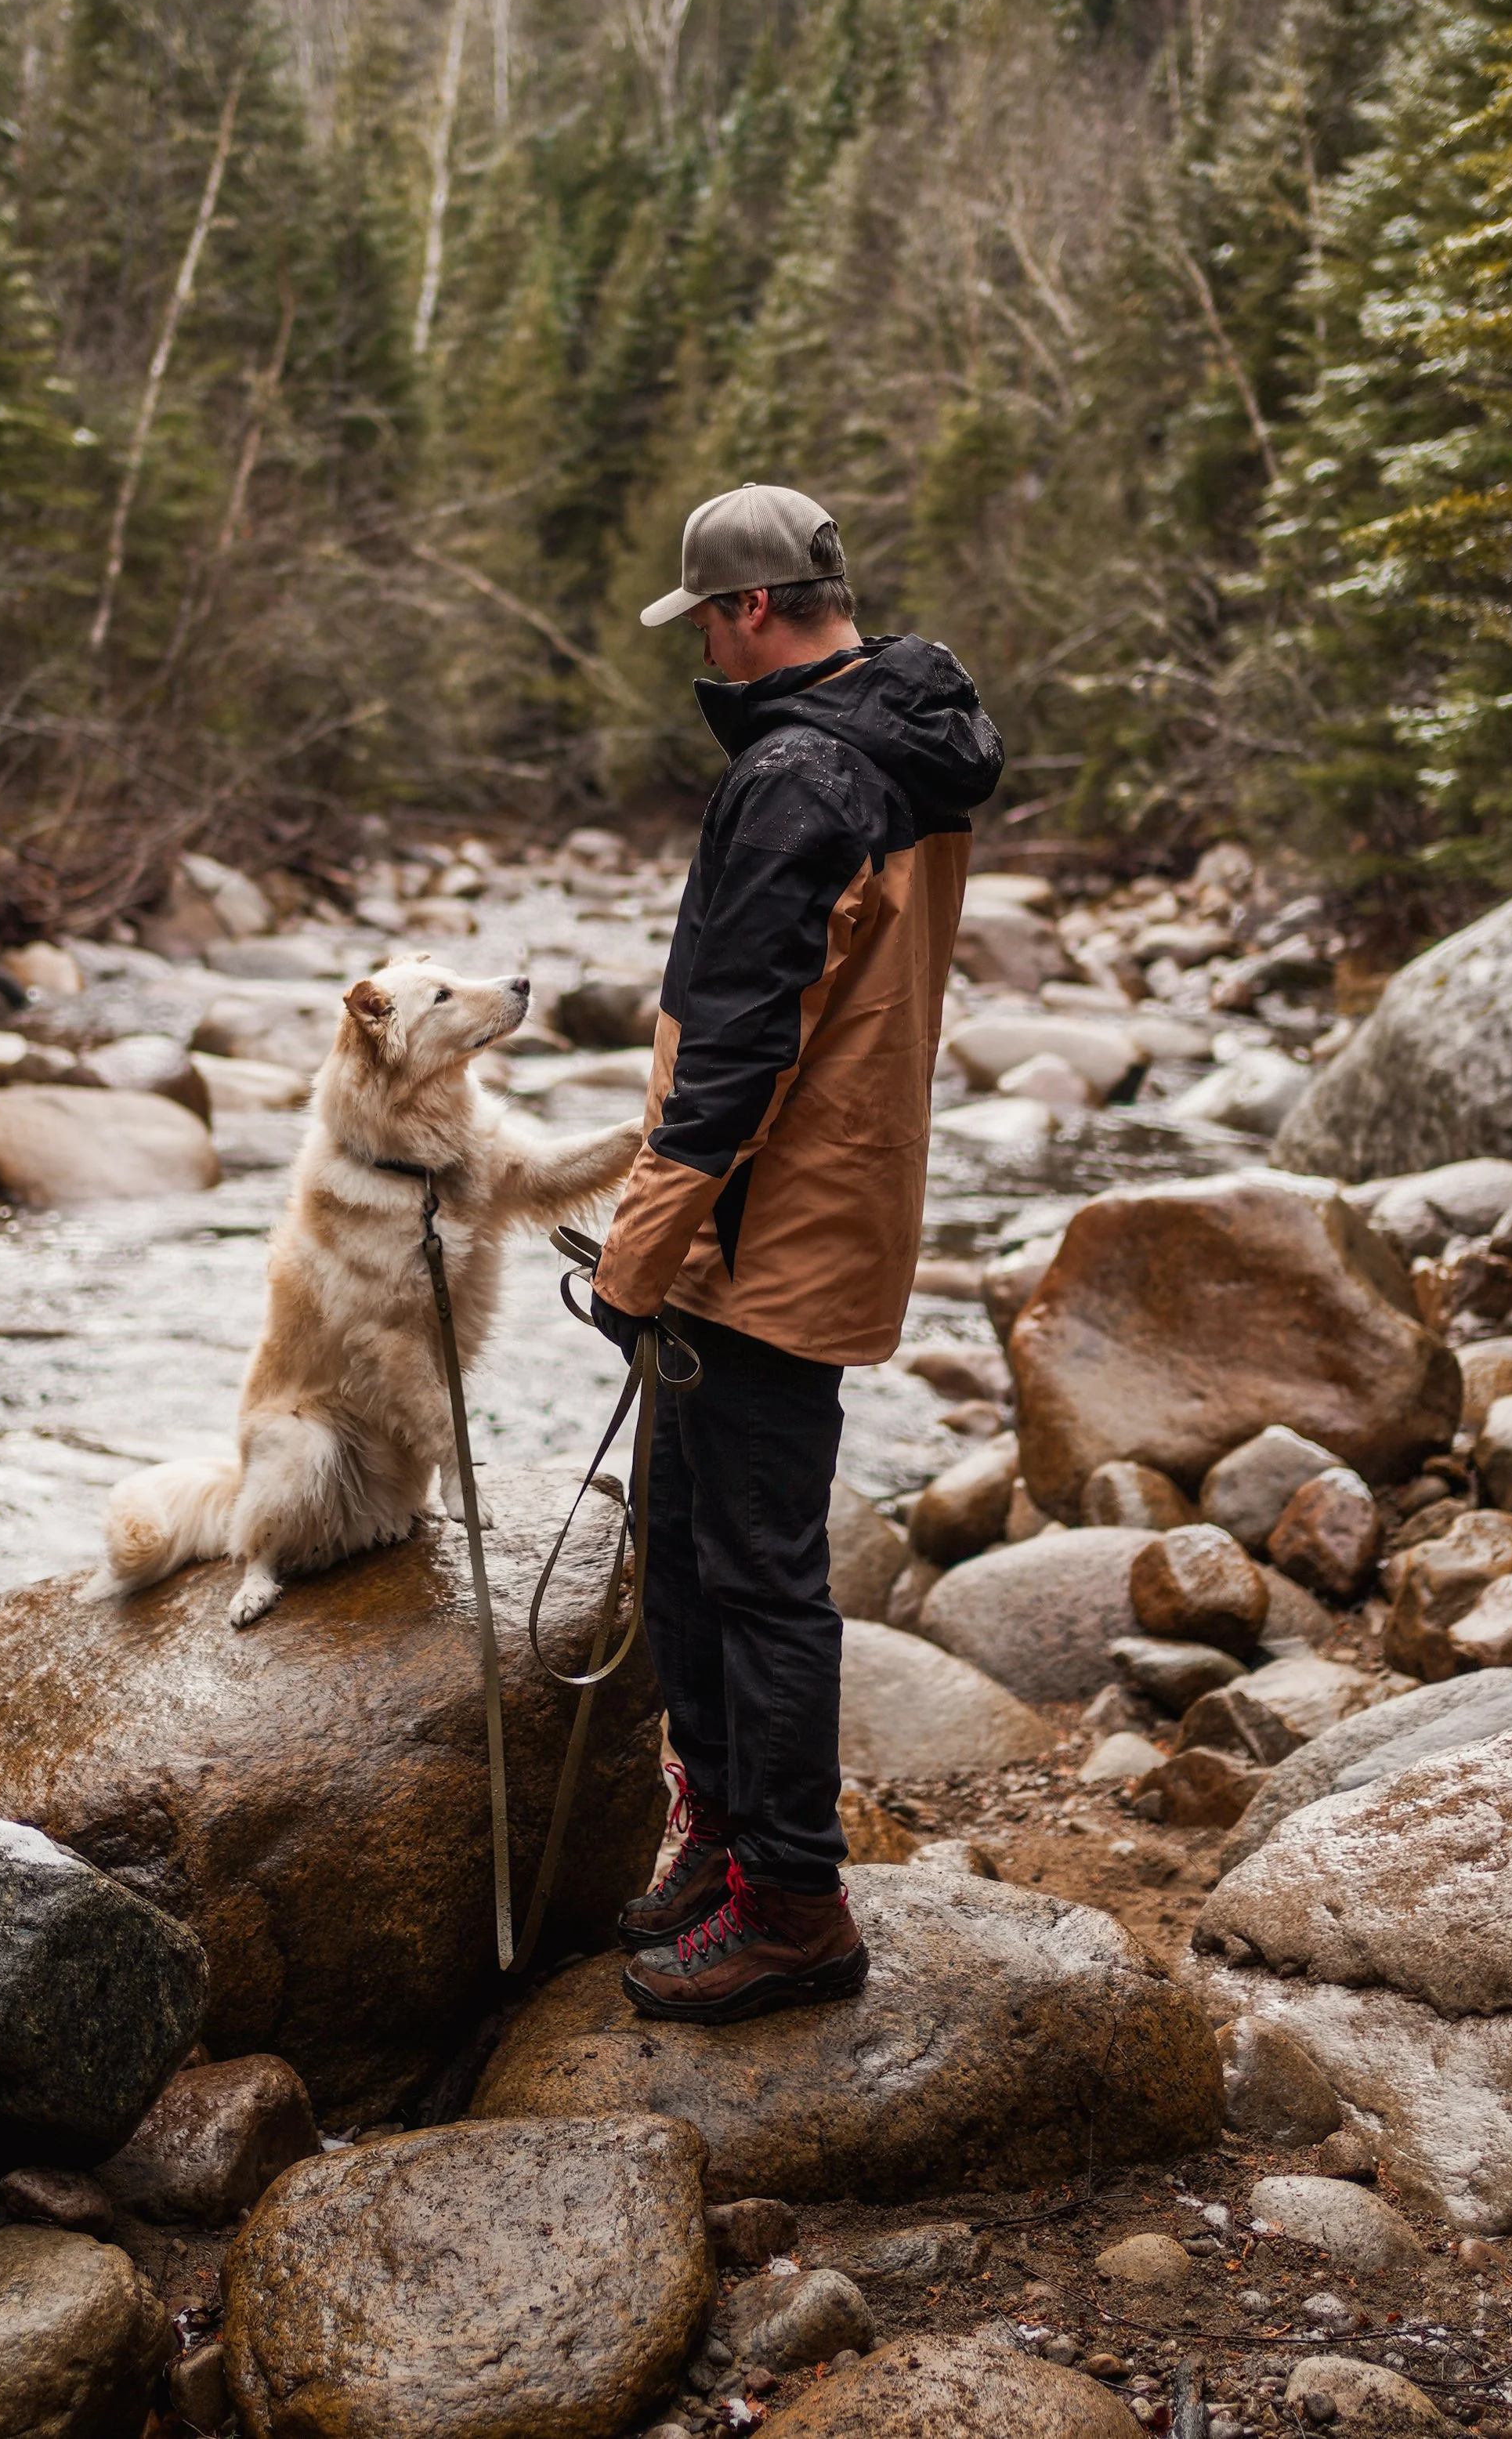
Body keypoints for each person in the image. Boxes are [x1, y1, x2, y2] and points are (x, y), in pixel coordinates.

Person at [588, 480, 1003, 2023]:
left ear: (750, 605)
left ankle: (796, 1905)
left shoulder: (796, 773)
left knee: (753, 1575)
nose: (698, 636)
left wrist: (637, 1255)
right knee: (693, 1549)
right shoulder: (893, 743)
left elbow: (739, 1049)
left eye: (704, 612)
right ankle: (725, 1842)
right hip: (797, 1216)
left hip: (756, 1236)